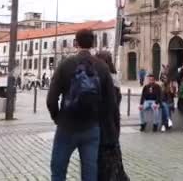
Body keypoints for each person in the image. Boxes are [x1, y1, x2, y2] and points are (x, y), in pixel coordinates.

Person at [47, 29, 119, 181]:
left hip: (67, 126)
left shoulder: (65, 64)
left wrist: (58, 118)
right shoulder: (102, 67)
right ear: (93, 43)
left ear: (75, 43)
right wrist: (98, 120)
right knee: (89, 173)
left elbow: (51, 99)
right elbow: (111, 103)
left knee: (58, 170)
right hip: (91, 128)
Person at [94, 51, 129, 181]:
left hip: (104, 129)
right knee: (114, 164)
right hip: (112, 127)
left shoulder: (104, 81)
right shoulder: (114, 80)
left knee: (106, 165)